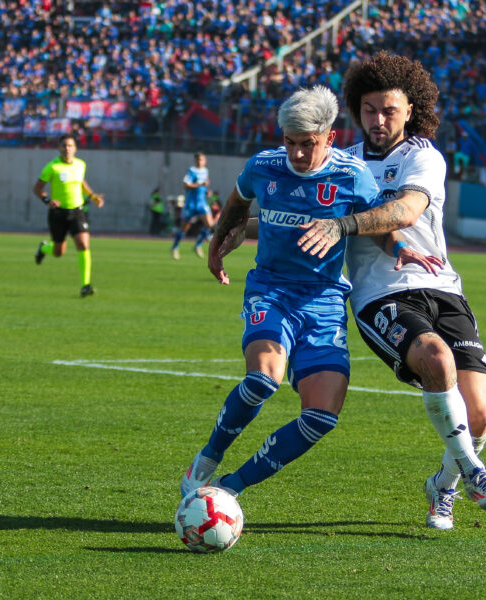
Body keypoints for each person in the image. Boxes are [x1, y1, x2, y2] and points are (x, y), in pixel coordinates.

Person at [181, 85, 436, 500]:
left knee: (321, 416)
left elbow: (378, 226)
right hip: (271, 291)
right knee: (263, 379)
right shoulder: (263, 166)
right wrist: (218, 242)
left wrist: (402, 247)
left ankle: (228, 491)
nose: (296, 154)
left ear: (330, 137)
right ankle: (208, 457)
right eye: (290, 143)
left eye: (307, 144)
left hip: (324, 299)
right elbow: (237, 202)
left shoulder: (352, 176)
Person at [304, 51, 486, 528]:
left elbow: (404, 212)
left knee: (478, 413)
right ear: (357, 110)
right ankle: (476, 472)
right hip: (380, 295)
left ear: (410, 110)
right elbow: (297, 218)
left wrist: (344, 225)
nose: (379, 120)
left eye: (390, 110)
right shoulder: (337, 164)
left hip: (442, 288)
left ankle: (443, 486)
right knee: (436, 361)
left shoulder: (422, 155)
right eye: (370, 110)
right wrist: (238, 226)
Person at [33, 134, 105, 297]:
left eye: (70, 145)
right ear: (59, 148)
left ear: (75, 148)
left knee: (83, 245)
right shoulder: (52, 167)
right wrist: (47, 200)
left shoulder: (80, 165)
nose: (67, 148)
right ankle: (44, 247)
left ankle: (85, 285)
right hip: (58, 213)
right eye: (64, 145)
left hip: (77, 211)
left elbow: (81, 183)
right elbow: (37, 188)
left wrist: (92, 196)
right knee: (59, 252)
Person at [171, 152, 213, 259]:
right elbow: (186, 185)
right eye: (198, 160)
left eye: (202, 160)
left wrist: (206, 192)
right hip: (191, 204)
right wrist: (200, 185)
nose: (200, 162)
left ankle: (198, 244)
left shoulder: (206, 171)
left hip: (202, 202)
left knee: (210, 224)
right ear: (195, 161)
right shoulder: (191, 171)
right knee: (185, 228)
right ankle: (175, 247)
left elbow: (204, 185)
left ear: (205, 161)